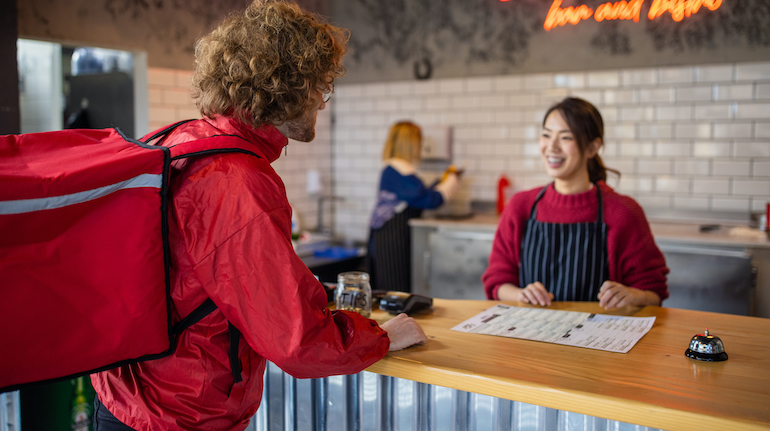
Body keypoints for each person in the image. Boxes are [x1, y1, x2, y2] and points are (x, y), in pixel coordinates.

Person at [90, 2, 428, 430]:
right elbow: (296, 341)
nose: (322, 103)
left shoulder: (177, 140)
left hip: (126, 396)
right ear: (284, 87)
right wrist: (380, 336)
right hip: (183, 414)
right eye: (319, 86)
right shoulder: (238, 180)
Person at [482, 97, 668, 309]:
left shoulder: (622, 212)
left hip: (598, 338)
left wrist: (633, 296)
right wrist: (521, 294)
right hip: (530, 336)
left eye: (565, 137)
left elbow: (653, 291)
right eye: (546, 135)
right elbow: (497, 281)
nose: (551, 147)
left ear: (592, 147)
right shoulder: (520, 207)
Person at [367, 121, 459, 292]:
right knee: (394, 292)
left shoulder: (396, 169)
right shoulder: (397, 170)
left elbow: (420, 195)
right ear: (410, 143)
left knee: (398, 291)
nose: (420, 146)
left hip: (395, 235)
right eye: (418, 141)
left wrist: (442, 182)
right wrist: (452, 180)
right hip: (391, 238)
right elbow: (429, 200)